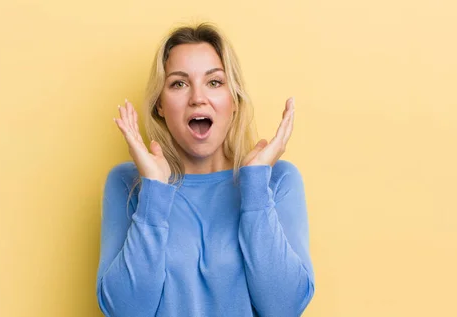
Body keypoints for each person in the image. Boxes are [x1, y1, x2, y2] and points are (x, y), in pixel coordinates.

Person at [96, 23, 315, 317]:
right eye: (179, 84)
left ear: (234, 100)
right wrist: (154, 192)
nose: (198, 98)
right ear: (160, 104)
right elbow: (125, 311)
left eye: (214, 82)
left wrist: (255, 189)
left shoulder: (277, 179)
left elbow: (284, 307)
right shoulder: (129, 183)